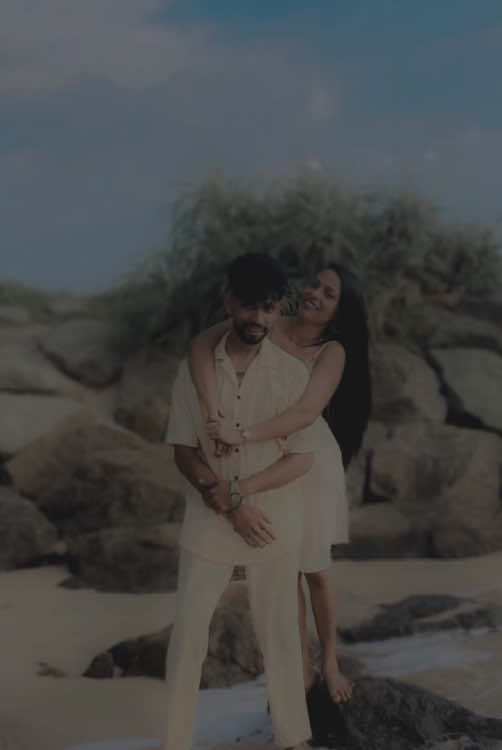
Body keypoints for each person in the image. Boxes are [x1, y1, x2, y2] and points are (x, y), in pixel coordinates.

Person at [188, 261, 371, 706]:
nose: (315, 294)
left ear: (340, 309)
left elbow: (306, 412)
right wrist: (213, 411)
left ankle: (330, 661)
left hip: (309, 461)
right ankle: (301, 667)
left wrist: (242, 434)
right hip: (269, 461)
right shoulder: (268, 321)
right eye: (314, 284)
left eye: (329, 294)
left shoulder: (332, 351)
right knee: (283, 568)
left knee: (315, 569)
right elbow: (201, 345)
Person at [164, 253, 319, 750]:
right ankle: (174, 743)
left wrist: (241, 495)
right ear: (229, 300)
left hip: (273, 521)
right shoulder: (195, 369)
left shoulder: (291, 374)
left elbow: (301, 459)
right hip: (209, 519)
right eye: (250, 306)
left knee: (281, 637)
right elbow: (184, 452)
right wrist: (232, 506)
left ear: (280, 309)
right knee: (188, 636)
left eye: (269, 308)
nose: (258, 318)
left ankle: (293, 740)